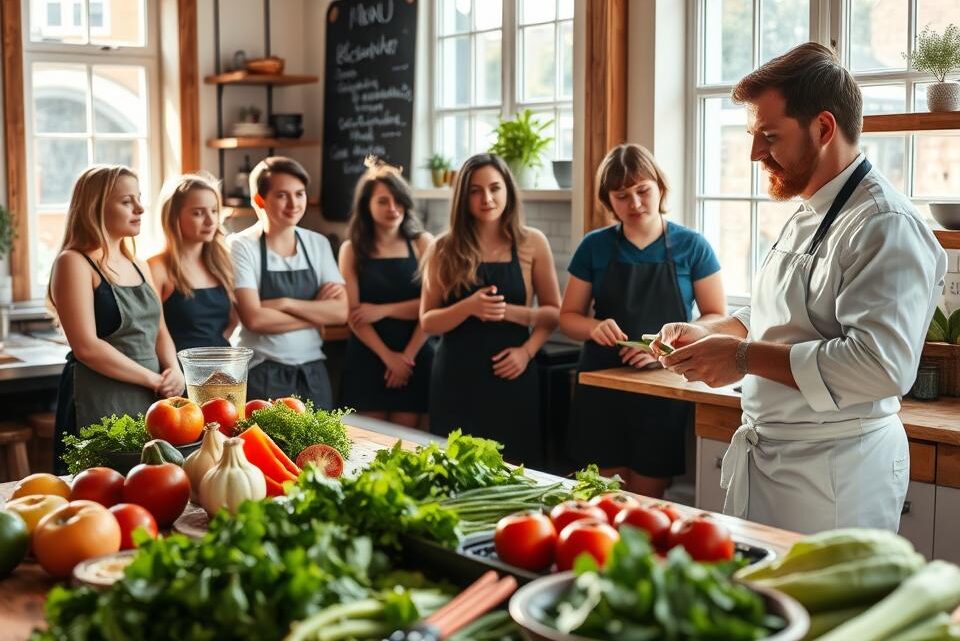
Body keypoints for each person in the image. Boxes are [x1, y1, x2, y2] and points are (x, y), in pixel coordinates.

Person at [655, 43, 947, 533]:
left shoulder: (884, 224)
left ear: (824, 128)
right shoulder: (810, 208)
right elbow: (783, 314)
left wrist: (742, 357)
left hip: (835, 476)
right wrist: (710, 334)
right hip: (778, 461)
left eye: (768, 136)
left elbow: (881, 366)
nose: (753, 154)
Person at [559, 144, 725, 497]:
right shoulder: (594, 246)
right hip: (601, 387)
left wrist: (663, 350)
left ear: (660, 188)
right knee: (598, 500)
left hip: (661, 388)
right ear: (609, 200)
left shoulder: (692, 246)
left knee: (646, 502)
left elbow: (716, 318)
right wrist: (592, 326)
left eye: (642, 191)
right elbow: (568, 318)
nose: (634, 204)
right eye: (622, 196)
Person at [421, 153, 561, 465]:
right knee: (454, 472)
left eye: (495, 188)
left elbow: (554, 313)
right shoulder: (443, 248)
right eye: (475, 190)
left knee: (517, 470)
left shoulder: (532, 243)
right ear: (463, 198)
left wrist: (526, 352)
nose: (487, 198)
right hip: (456, 378)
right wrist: (469, 307)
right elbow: (428, 322)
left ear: (508, 191)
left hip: (514, 376)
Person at [50, 165, 184, 473]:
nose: (140, 208)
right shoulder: (74, 262)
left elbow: (159, 329)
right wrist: (153, 379)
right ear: (95, 207)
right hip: (99, 398)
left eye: (138, 198)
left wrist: (173, 368)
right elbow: (86, 347)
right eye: (127, 201)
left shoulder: (138, 263)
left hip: (150, 400)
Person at [229, 156, 348, 407]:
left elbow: (340, 312)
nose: (294, 203)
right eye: (282, 195)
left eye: (300, 194)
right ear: (259, 200)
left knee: (322, 446)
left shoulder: (318, 243)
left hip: (313, 373)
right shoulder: (241, 246)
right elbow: (255, 319)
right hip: (263, 373)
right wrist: (316, 311)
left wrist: (283, 303)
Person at [338, 159, 435, 428]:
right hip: (369, 357)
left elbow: (433, 306)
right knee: (369, 443)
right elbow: (354, 315)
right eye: (382, 201)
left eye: (398, 200)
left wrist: (384, 311)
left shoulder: (422, 243)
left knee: (413, 445)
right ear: (366, 206)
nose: (392, 208)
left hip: (416, 355)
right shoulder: (351, 249)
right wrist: (388, 357)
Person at [148, 173, 237, 353]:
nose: (210, 221)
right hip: (175, 372)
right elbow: (153, 333)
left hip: (222, 368)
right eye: (198, 213)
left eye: (214, 211)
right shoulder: (156, 268)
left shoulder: (223, 263)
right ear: (174, 216)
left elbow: (231, 324)